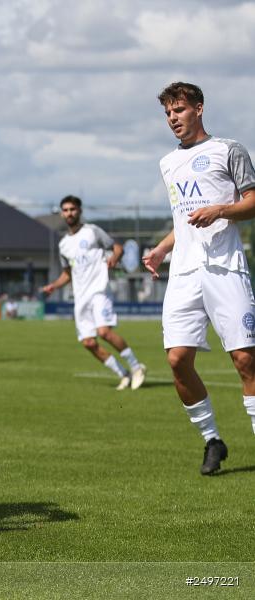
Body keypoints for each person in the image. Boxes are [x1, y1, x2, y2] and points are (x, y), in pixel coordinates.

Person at [142, 81, 255, 475]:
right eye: (168, 112)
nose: (173, 117)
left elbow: (252, 202)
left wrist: (221, 210)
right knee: (177, 360)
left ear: (199, 108)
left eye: (180, 109)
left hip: (225, 267)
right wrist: (161, 249)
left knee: (245, 359)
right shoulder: (167, 163)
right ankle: (213, 440)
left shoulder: (229, 149)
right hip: (185, 273)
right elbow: (183, 220)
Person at [41, 196, 146, 391]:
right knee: (89, 343)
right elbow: (67, 274)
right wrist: (53, 286)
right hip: (80, 298)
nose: (69, 213)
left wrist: (114, 257)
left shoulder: (92, 231)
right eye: (65, 210)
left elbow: (117, 247)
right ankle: (123, 374)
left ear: (79, 211)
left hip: (99, 290)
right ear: (62, 213)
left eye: (72, 209)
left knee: (104, 332)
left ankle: (136, 366)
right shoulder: (63, 244)